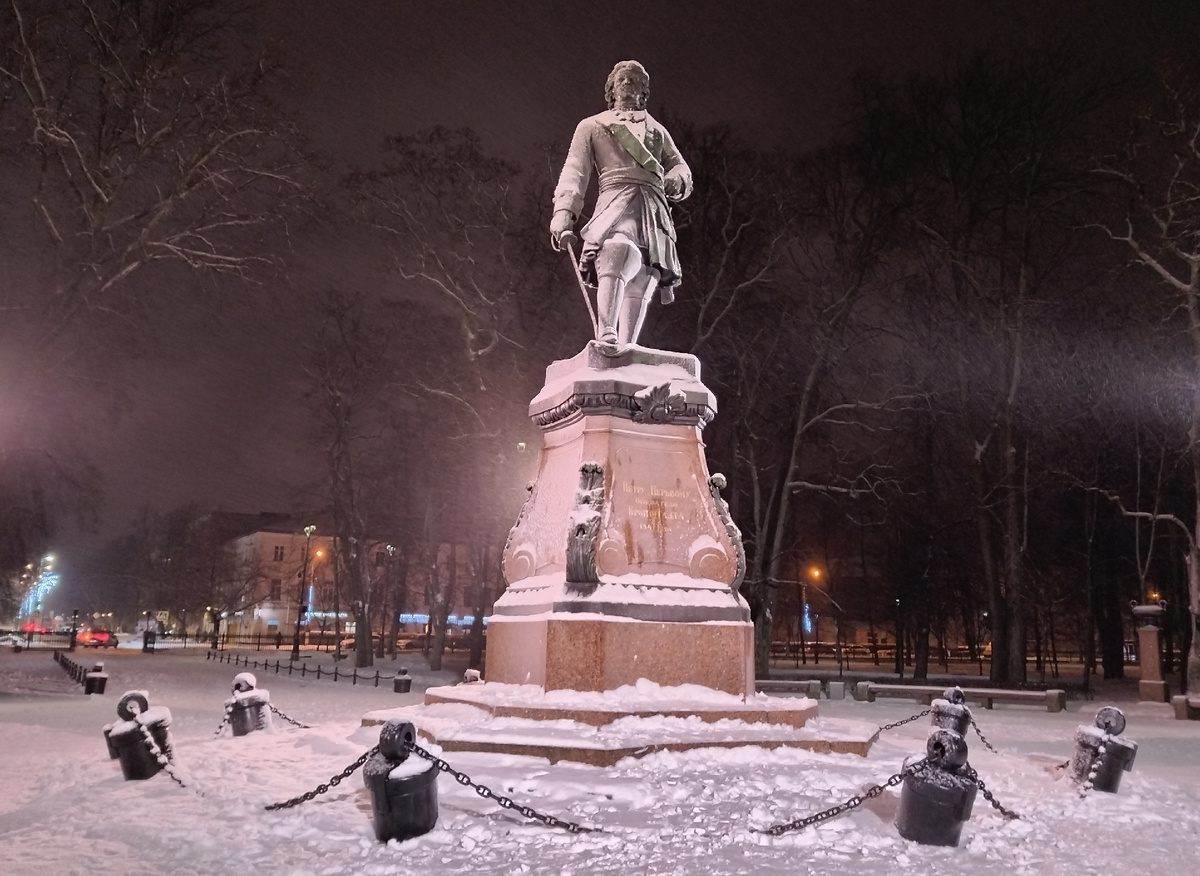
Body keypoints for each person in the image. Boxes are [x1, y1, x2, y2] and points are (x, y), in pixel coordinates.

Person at [550, 60, 692, 347]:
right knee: (617, 251)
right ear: (611, 89)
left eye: (634, 80)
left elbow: (681, 168)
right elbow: (575, 170)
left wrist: (676, 180)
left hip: (652, 207)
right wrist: (564, 211)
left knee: (645, 273)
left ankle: (628, 347)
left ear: (644, 92)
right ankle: (606, 332)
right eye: (622, 80)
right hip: (616, 199)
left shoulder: (658, 131)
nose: (627, 83)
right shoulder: (592, 125)